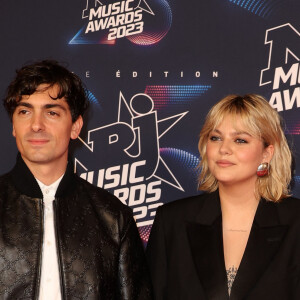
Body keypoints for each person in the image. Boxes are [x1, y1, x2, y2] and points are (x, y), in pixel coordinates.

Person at [0, 60, 152, 299]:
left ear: (75, 127)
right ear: (14, 126)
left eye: (51, 112)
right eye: (25, 111)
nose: (36, 125)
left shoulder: (112, 216)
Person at [146, 94, 300, 299]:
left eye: (240, 140)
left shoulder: (296, 221)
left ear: (266, 153)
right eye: (215, 138)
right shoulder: (172, 221)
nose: (224, 149)